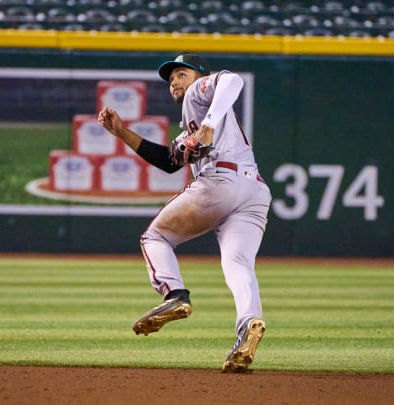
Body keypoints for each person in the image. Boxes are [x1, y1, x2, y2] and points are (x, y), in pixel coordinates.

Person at [97, 54, 271, 373]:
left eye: (181, 73)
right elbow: (168, 160)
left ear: (197, 76)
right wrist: (122, 133)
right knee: (238, 263)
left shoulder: (198, 93)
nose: (175, 82)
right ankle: (249, 324)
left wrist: (207, 126)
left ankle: (175, 294)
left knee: (155, 236)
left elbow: (233, 81)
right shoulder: (190, 123)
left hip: (221, 182)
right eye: (171, 79)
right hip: (255, 193)